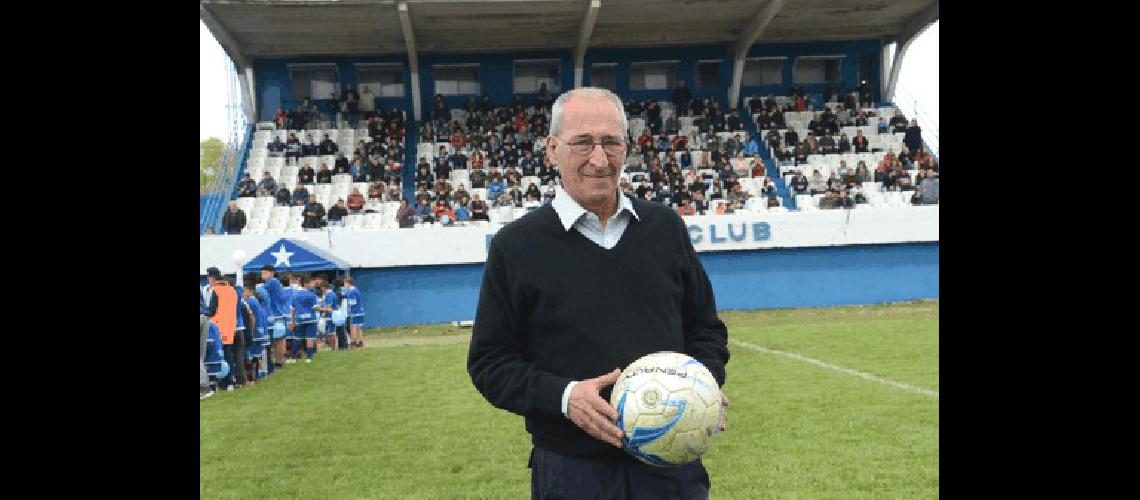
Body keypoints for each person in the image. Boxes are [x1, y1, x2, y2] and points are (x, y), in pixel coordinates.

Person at [467, 87, 729, 499]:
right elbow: (490, 362)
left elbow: (706, 331)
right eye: (583, 143)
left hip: (669, 470)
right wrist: (565, 397)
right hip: (572, 472)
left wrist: (703, 385)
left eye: (611, 143)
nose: (599, 159)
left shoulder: (665, 229)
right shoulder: (516, 246)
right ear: (552, 150)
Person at [288, 276, 320, 363]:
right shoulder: (311, 295)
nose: (313, 285)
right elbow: (315, 307)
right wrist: (325, 309)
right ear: (306, 283)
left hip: (300, 319)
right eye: (311, 283)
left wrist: (293, 321)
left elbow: (293, 310)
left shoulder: (295, 295)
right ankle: (309, 358)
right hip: (311, 319)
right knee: (310, 338)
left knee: (297, 338)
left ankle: (293, 358)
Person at [345, 277, 365, 348]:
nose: (345, 285)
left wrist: (347, 304)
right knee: (359, 328)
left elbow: (353, 302)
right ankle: (360, 342)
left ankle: (353, 342)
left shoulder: (352, 291)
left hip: (355, 311)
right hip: (359, 311)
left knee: (353, 327)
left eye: (345, 283)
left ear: (348, 283)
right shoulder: (356, 290)